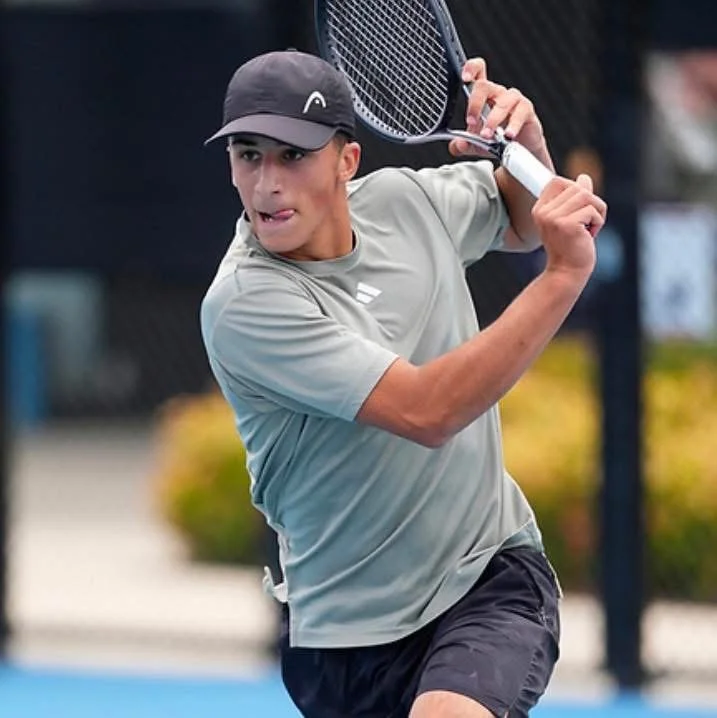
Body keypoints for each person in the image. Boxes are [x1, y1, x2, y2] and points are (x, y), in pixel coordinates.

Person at [201, 49, 606, 718]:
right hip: (340, 643)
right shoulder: (245, 304)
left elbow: (518, 216)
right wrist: (561, 278)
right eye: (249, 155)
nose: (267, 183)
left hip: (483, 578)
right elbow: (428, 410)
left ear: (346, 161)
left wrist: (522, 143)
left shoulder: (407, 203)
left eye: (292, 155)